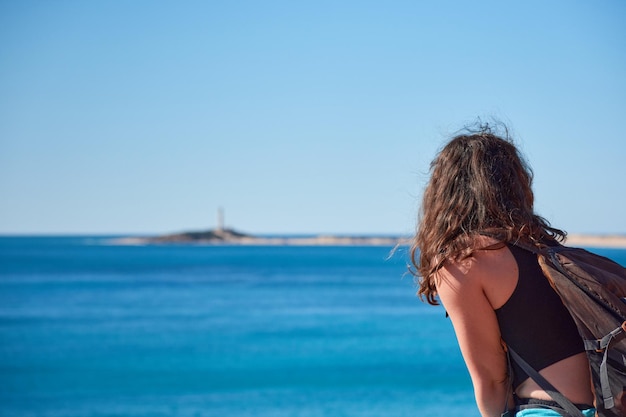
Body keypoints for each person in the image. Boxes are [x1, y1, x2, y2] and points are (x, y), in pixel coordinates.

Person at [410, 124, 595, 416]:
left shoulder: (464, 261)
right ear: (517, 185)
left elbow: (492, 382)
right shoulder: (546, 248)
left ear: (443, 193)